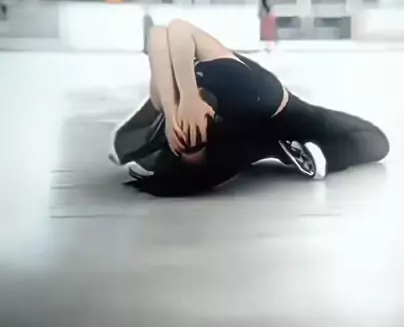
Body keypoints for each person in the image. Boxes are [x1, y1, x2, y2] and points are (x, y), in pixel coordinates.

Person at [110, 17, 389, 196]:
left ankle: (276, 146)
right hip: (285, 114)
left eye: (182, 136)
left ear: (171, 138)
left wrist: (175, 110)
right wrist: (190, 100)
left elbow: (161, 33)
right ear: (214, 121)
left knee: (255, 143)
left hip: (259, 122)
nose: (188, 125)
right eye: (198, 132)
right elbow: (180, 29)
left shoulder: (166, 99)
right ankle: (283, 147)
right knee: (375, 143)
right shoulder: (242, 92)